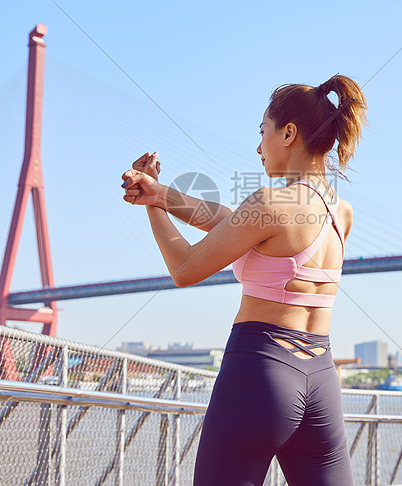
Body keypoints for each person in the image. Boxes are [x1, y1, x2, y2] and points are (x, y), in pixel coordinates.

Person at [120, 74, 368, 486]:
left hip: (260, 372)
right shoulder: (341, 212)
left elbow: (185, 269)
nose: (258, 146)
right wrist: (159, 193)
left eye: (263, 131)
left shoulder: (271, 202)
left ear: (288, 133)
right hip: (321, 378)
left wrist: (153, 210)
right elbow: (229, 223)